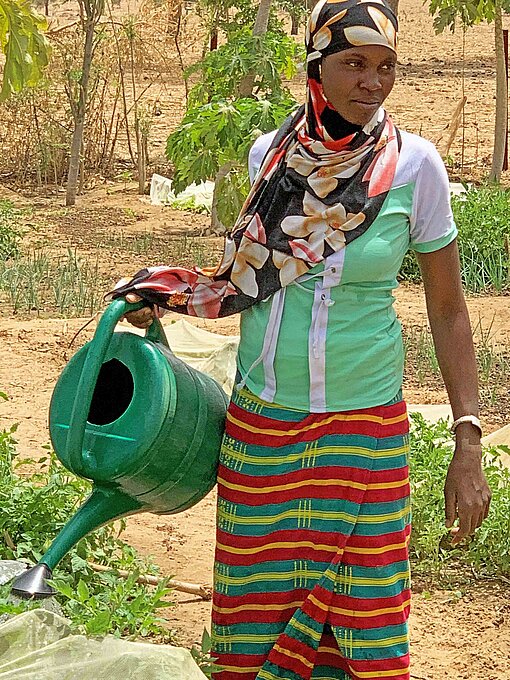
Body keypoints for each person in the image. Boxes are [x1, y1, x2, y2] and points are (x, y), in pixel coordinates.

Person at [111, 1, 491, 678]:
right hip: (265, 430)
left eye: (385, 66)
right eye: (353, 63)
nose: (371, 82)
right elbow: (245, 279)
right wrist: (164, 297)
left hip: (365, 432)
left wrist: (467, 438)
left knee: (364, 632)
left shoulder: (415, 167)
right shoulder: (271, 156)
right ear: (316, 67)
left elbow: (450, 309)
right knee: (253, 624)